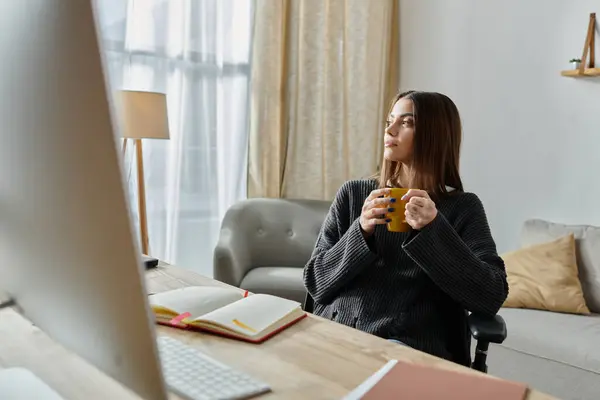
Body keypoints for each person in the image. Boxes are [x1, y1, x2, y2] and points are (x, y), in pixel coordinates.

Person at [303, 90, 508, 366]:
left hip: (407, 348)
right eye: (390, 120)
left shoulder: (463, 208)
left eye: (406, 122)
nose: (390, 129)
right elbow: (315, 283)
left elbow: (489, 295)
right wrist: (360, 231)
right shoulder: (354, 195)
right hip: (339, 338)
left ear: (434, 134)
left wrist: (435, 229)